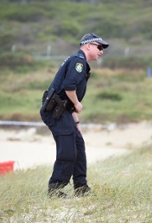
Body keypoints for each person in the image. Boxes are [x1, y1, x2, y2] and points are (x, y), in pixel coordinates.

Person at [40, 33, 109, 198]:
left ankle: (81, 187)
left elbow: (67, 102)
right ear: (88, 46)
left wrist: (76, 123)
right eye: (99, 47)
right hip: (55, 112)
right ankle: (55, 188)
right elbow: (68, 87)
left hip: (63, 111)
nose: (101, 51)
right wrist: (77, 104)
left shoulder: (80, 62)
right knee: (68, 149)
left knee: (78, 145)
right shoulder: (78, 62)